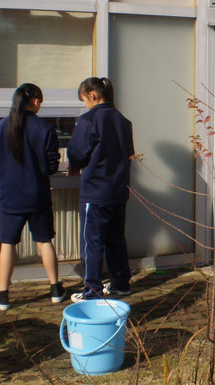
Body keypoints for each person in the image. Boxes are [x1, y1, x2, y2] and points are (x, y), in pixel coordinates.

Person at [0, 84, 65, 310]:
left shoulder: (0, 127)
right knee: (44, 241)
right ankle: (56, 289)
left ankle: (3, 294)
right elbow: (51, 165)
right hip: (37, 195)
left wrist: (7, 170)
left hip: (10, 196)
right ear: (36, 102)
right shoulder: (45, 129)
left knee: (7, 244)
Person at [67, 77, 134, 302]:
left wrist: (75, 165)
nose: (84, 105)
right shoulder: (123, 121)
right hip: (119, 189)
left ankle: (92, 290)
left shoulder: (88, 120)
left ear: (93, 95)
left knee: (92, 241)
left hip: (96, 190)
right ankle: (121, 284)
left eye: (84, 100)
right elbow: (128, 153)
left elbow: (77, 153)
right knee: (116, 238)